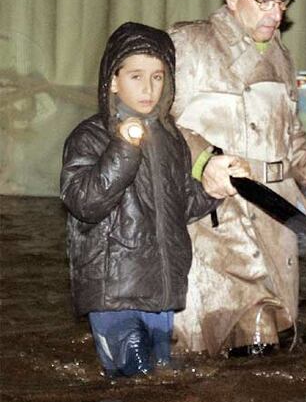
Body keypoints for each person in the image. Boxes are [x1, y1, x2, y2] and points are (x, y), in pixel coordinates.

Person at [169, 0, 306, 356]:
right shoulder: (189, 45)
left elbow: (292, 143)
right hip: (217, 218)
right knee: (249, 327)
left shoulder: (281, 56)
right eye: (265, 2)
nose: (276, 14)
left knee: (271, 335)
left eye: (282, 3)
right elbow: (157, 124)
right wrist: (204, 161)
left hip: (275, 218)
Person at [60, 22, 243, 377]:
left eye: (158, 77)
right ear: (113, 82)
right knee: (135, 383)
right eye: (136, 77)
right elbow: (84, 202)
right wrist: (125, 147)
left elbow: (182, 207)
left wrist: (213, 190)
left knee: (160, 379)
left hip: (161, 289)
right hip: (114, 290)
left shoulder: (171, 140)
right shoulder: (90, 137)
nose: (148, 88)